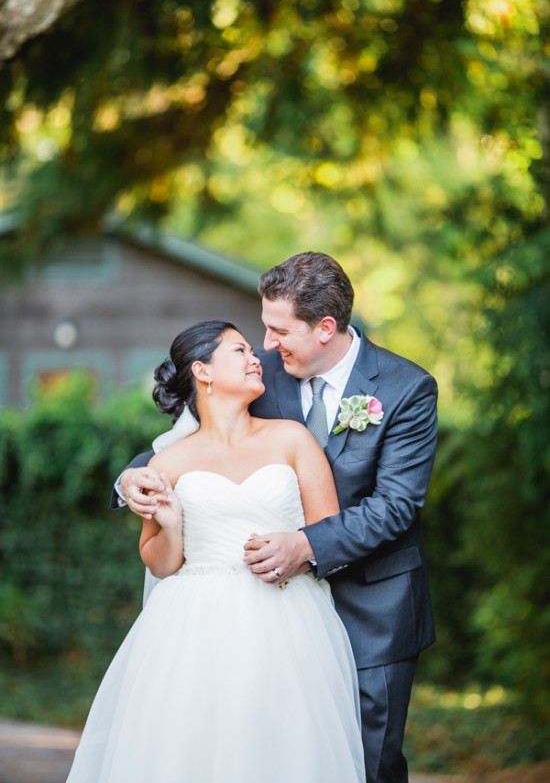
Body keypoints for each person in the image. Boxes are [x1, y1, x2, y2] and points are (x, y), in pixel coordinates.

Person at [116, 252, 438, 783]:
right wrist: (128, 480)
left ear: (325, 328)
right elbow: (181, 446)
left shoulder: (406, 389)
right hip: (260, 620)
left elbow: (395, 506)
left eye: (278, 329)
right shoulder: (255, 373)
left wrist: (306, 545)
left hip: (372, 609)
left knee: (369, 763)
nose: (266, 344)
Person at [68, 320, 365, 783]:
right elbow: (161, 563)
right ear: (202, 372)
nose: (255, 359)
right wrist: (169, 526)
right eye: (239, 350)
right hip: (192, 630)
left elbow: (331, 533)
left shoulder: (291, 438)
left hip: (288, 621)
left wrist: (298, 551)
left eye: (252, 350)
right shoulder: (168, 462)